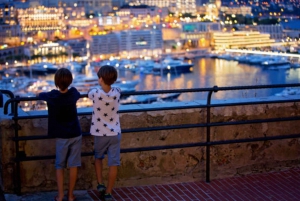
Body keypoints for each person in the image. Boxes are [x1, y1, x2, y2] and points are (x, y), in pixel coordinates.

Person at [39, 68, 82, 201]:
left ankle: (60, 195)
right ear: (70, 81)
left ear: (56, 82)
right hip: (75, 133)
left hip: (61, 136)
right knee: (73, 165)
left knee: (60, 165)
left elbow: (41, 95)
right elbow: (77, 93)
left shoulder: (52, 96)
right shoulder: (73, 93)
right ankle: (70, 195)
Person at [88, 65, 121, 201]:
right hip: (115, 133)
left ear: (100, 79)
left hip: (100, 133)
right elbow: (117, 90)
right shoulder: (118, 91)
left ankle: (100, 183)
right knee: (113, 163)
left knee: (98, 158)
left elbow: (90, 93)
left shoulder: (95, 93)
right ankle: (108, 192)